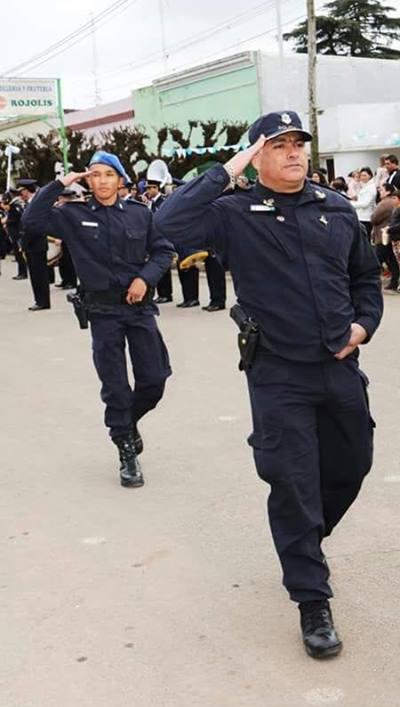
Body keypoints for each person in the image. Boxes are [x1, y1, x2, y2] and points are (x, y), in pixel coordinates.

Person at [155, 110, 383, 659]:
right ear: (257, 155)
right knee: (293, 481)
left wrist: (364, 325)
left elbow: (365, 277)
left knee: (353, 465)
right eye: (278, 145)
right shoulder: (232, 213)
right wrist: (228, 168)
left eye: (298, 143)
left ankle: (303, 544)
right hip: (279, 373)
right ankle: (312, 598)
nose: (293, 152)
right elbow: (166, 223)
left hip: (339, 365)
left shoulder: (334, 207)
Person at [22, 152, 174, 489]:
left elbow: (163, 251)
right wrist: (60, 183)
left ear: (120, 180)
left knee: (154, 379)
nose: (102, 180)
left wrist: (145, 278)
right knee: (115, 385)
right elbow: (32, 222)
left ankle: (127, 424)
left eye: (109, 174)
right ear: (87, 180)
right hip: (103, 313)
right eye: (95, 174)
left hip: (139, 309)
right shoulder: (72, 215)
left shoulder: (139, 213)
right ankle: (125, 449)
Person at [17, 179, 51, 311]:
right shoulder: (30, 204)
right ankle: (40, 300)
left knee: (39, 275)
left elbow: (32, 227)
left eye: (22, 191)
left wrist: (24, 243)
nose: (21, 195)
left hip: (36, 244)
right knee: (36, 275)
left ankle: (42, 301)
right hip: (32, 244)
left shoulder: (36, 205)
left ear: (27, 191)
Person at [145, 178, 173, 304]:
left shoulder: (163, 202)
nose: (149, 190)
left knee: (164, 267)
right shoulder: (150, 203)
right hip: (154, 237)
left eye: (151, 188)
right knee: (156, 266)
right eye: (147, 188)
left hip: (163, 236)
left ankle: (166, 293)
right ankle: (161, 293)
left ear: (156, 188)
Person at [370, 181, 398, 290]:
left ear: (388, 192)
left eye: (382, 190)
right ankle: (395, 281)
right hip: (389, 234)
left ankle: (372, 282)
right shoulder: (392, 202)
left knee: (377, 259)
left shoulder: (385, 203)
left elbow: (374, 218)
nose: (379, 191)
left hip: (383, 235)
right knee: (391, 259)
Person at [6, 189, 28, 279]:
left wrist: (8, 221)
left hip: (17, 232)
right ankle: (21, 272)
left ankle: (23, 273)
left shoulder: (16, 204)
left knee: (19, 252)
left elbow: (21, 217)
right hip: (15, 231)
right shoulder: (16, 204)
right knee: (17, 252)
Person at [351, 166, 377, 239]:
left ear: (370, 176)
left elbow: (365, 204)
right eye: (361, 175)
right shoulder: (366, 186)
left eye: (365, 175)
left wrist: (351, 204)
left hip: (366, 218)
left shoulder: (371, 187)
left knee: (365, 239)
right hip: (361, 216)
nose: (362, 177)